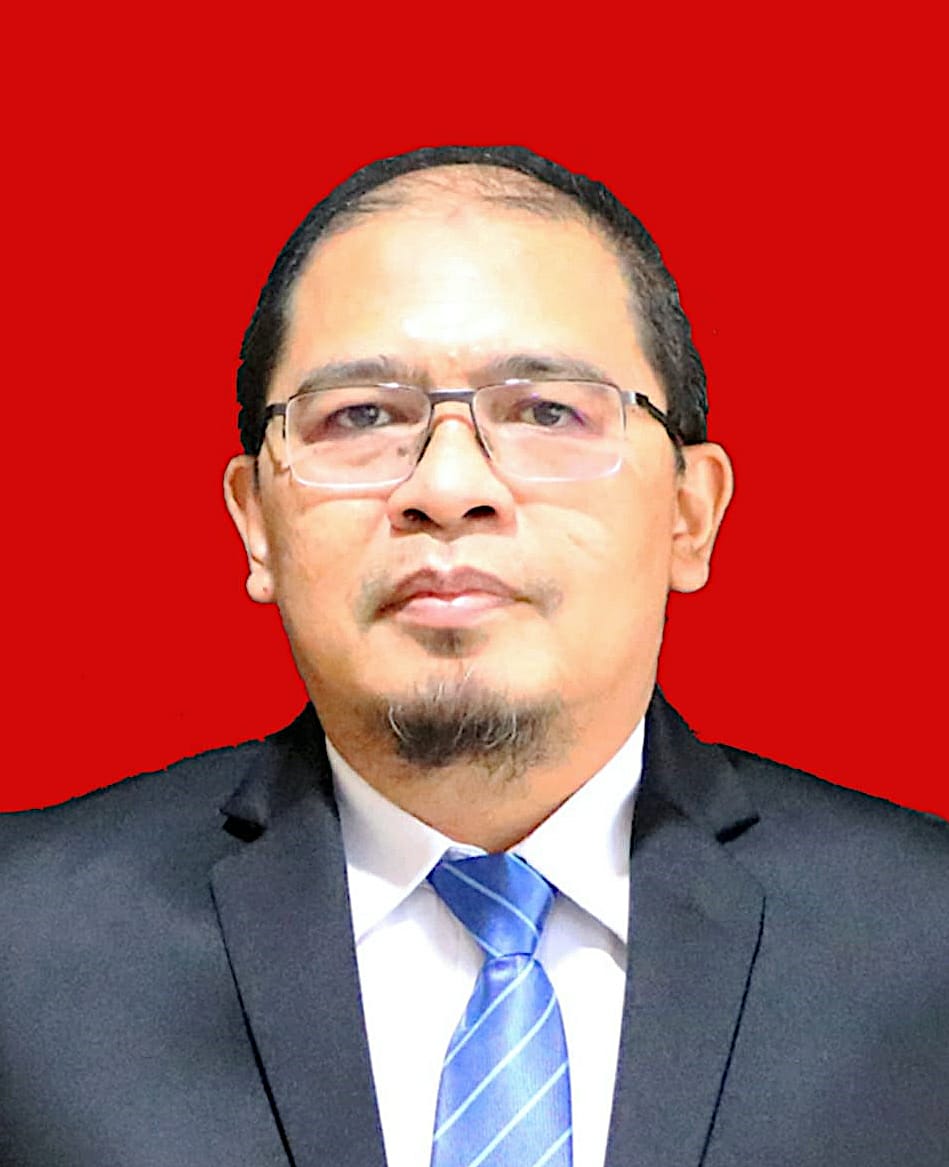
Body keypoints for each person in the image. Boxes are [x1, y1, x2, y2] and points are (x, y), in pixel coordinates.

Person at [1, 145, 946, 1167]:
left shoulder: (922, 946)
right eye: (361, 416)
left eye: (545, 411)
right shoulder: (26, 947)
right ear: (255, 523)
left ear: (689, 513)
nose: (447, 488)